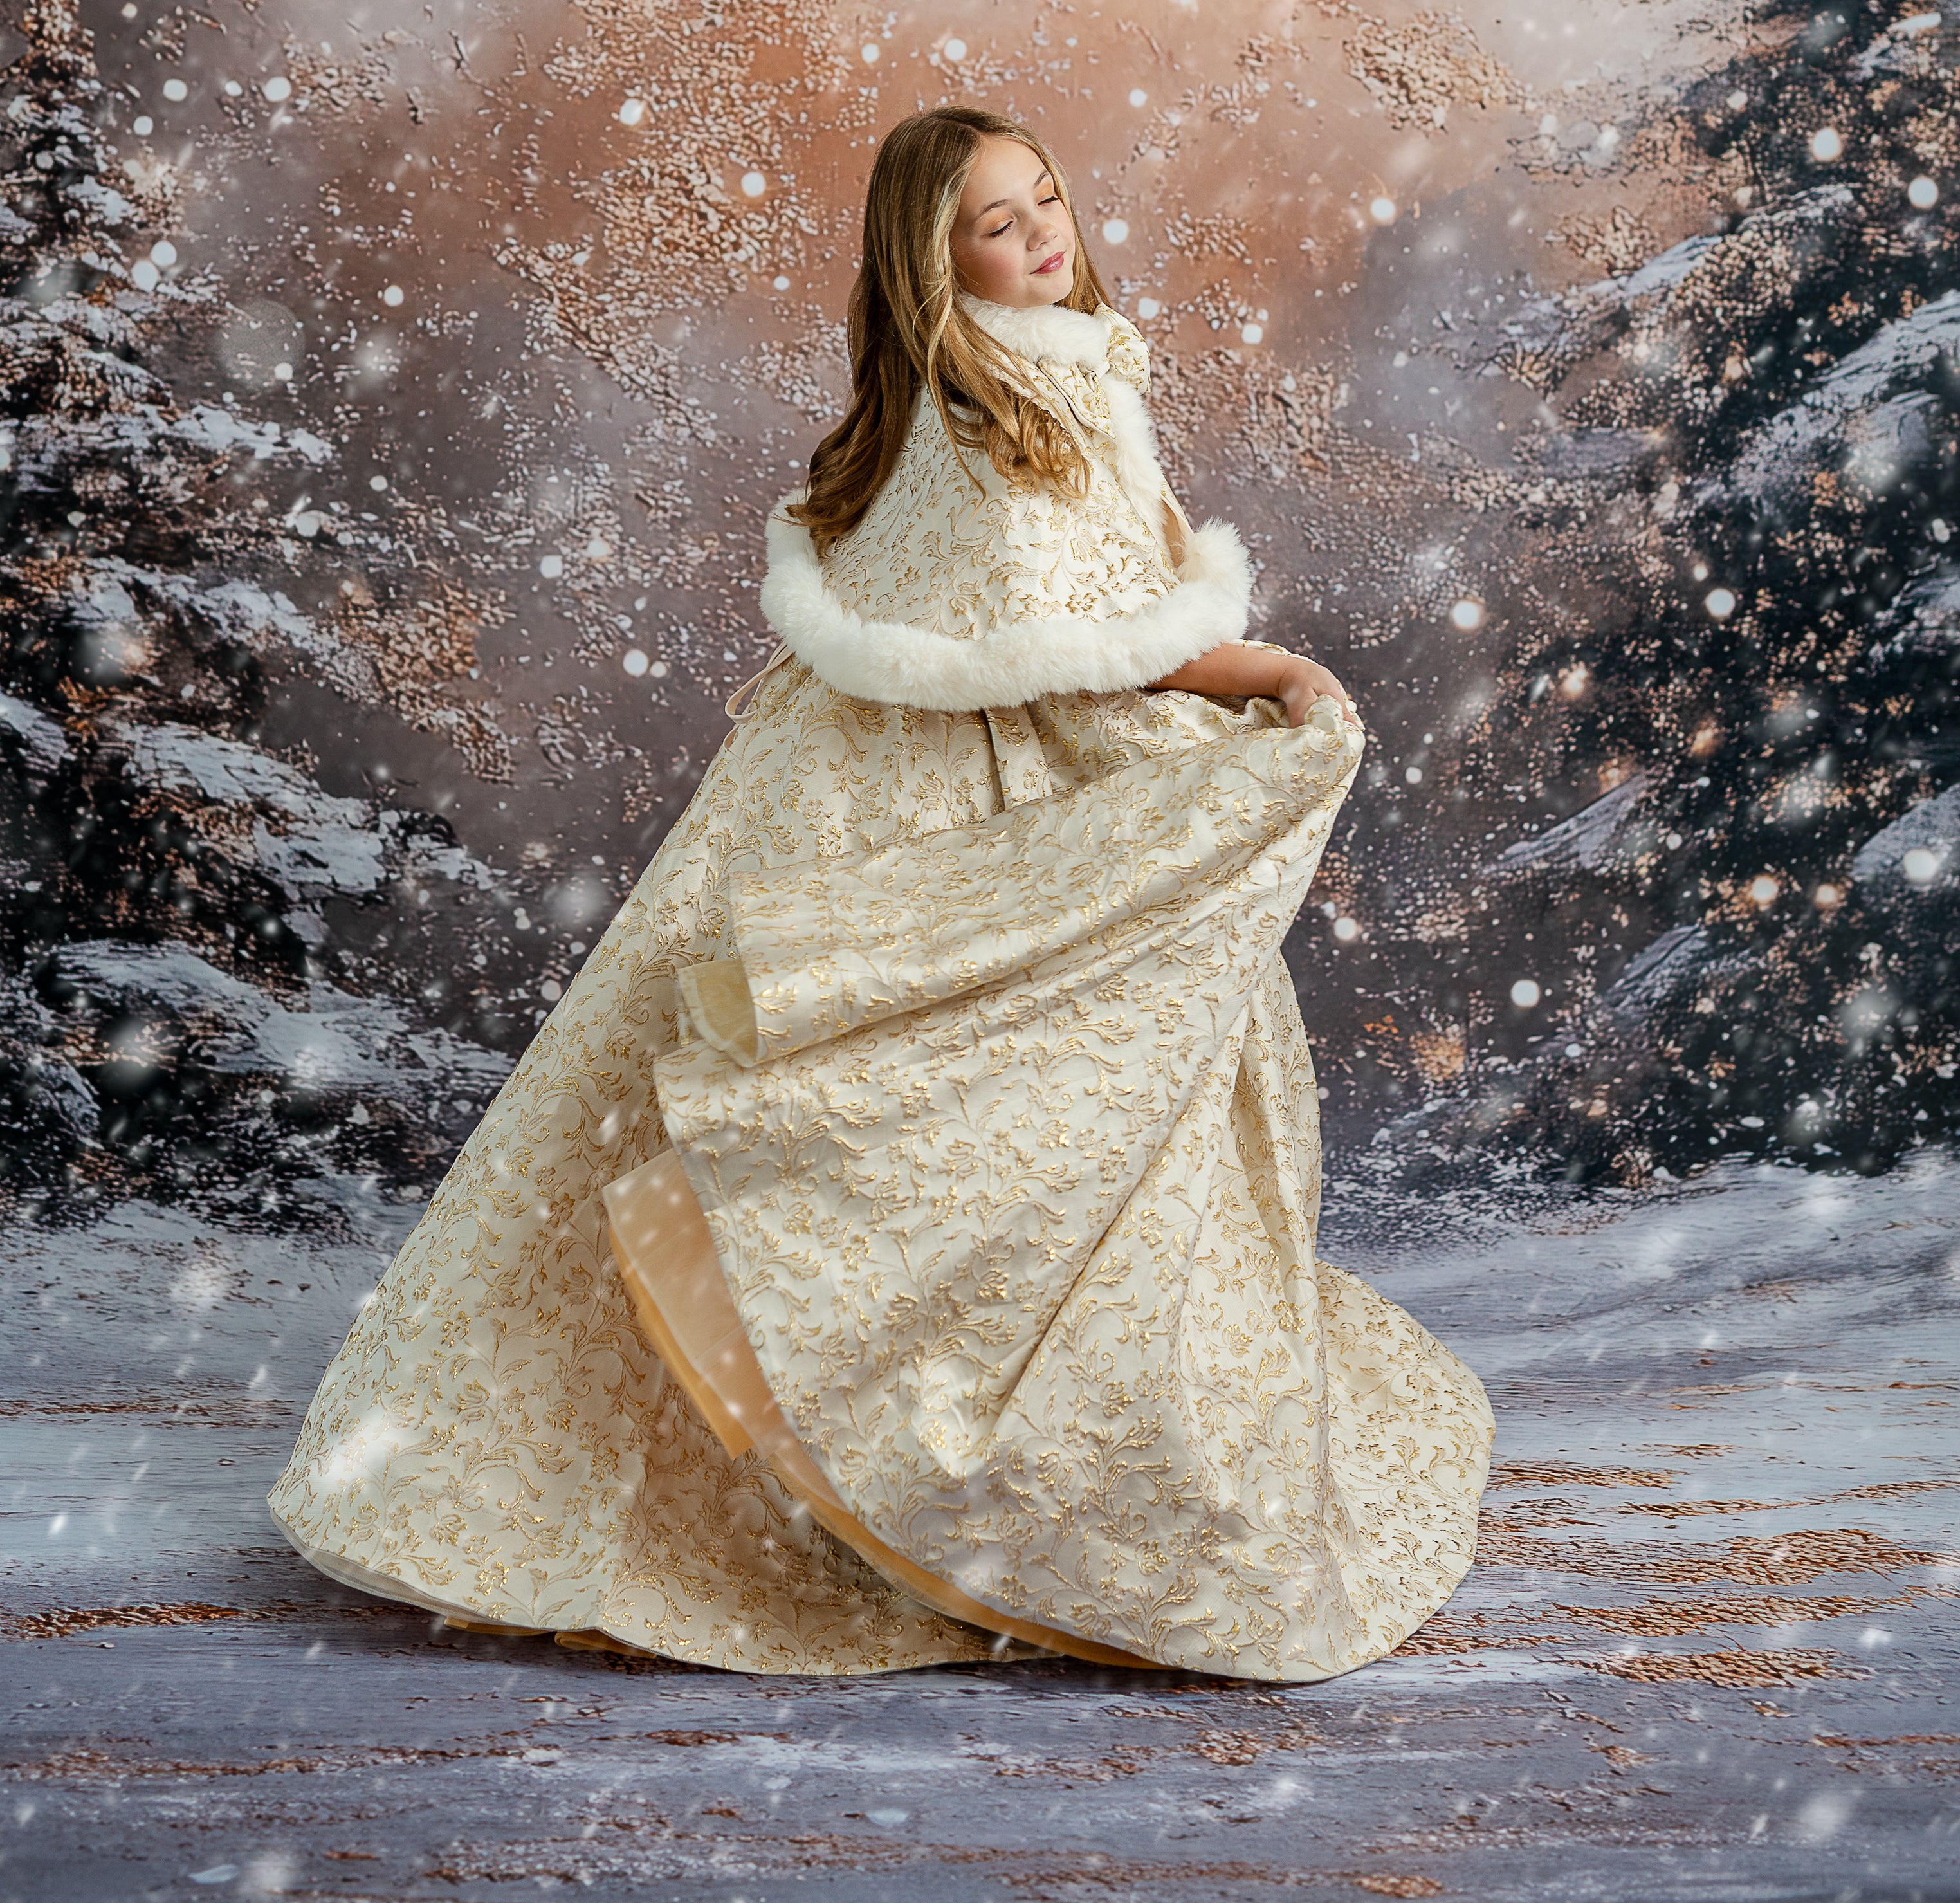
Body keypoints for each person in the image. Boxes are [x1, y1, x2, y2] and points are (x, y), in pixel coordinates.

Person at [271, 106, 1492, 1677]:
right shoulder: (977, 416)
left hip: (967, 739)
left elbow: (1098, 596)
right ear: (936, 262)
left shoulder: (1070, 357)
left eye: (1047, 195)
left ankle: (902, 1439)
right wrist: (1262, 668)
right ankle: (849, 1470)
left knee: (1018, 1124)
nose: (1043, 232)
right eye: (999, 222)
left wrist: (1198, 651)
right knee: (917, 1104)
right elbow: (1067, 627)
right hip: (926, 782)